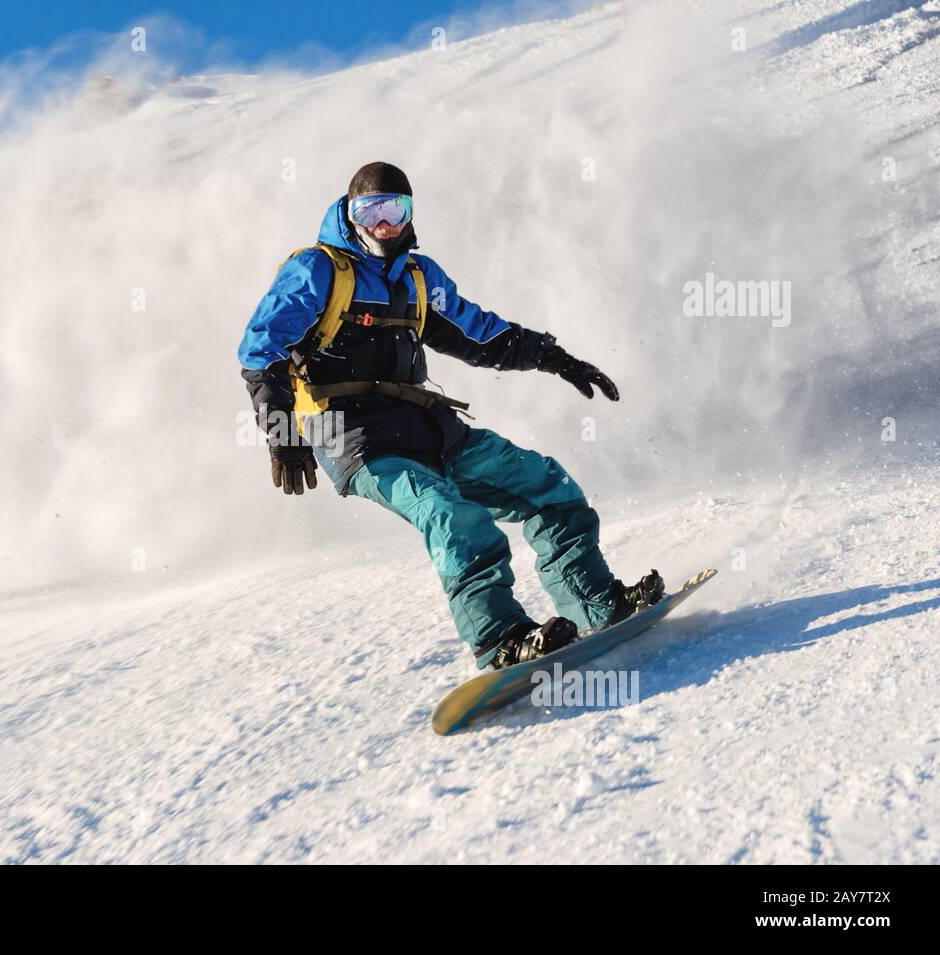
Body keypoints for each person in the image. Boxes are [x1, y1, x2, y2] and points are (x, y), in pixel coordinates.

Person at [237, 161, 663, 669]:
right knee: (452, 514)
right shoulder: (318, 269)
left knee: (548, 488)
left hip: (427, 426)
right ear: (348, 214)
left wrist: (554, 357)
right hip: (353, 438)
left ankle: (599, 602)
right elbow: (260, 351)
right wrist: (283, 435)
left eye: (395, 210)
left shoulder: (420, 277)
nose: (383, 225)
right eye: (369, 211)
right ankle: (503, 639)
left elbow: (481, 334)